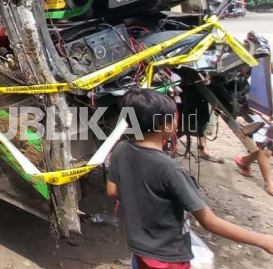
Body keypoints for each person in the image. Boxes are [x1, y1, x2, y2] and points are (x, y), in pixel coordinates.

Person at [107, 88, 273, 268]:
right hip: (168, 258)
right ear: (168, 125)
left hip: (139, 251)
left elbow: (112, 190)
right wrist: (262, 240)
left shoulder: (121, 149)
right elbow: (209, 222)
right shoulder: (171, 169)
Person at [234, 114, 273, 195]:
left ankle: (244, 161)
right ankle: (268, 183)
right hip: (262, 112)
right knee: (266, 148)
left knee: (267, 147)